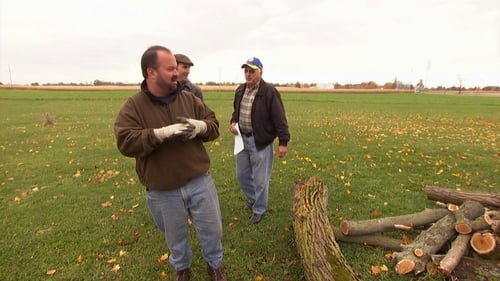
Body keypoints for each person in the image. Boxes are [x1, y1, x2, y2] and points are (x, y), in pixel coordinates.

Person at [114, 45, 227, 281]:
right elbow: (125, 141)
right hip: (162, 190)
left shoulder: (189, 98)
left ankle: (215, 265)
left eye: (176, 68)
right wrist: (160, 134)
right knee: (175, 237)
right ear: (151, 72)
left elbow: (213, 125)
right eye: (170, 69)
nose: (176, 73)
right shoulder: (133, 106)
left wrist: (201, 126)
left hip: (199, 182)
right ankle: (182, 269)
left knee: (212, 229)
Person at [229, 57, 290, 224]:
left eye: (252, 71)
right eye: (246, 71)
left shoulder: (269, 91)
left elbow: (279, 118)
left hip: (260, 141)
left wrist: (283, 142)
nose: (248, 74)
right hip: (242, 140)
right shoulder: (240, 90)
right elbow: (236, 111)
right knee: (242, 175)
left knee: (260, 179)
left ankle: (259, 209)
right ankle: (254, 199)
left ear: (260, 72)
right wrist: (233, 122)